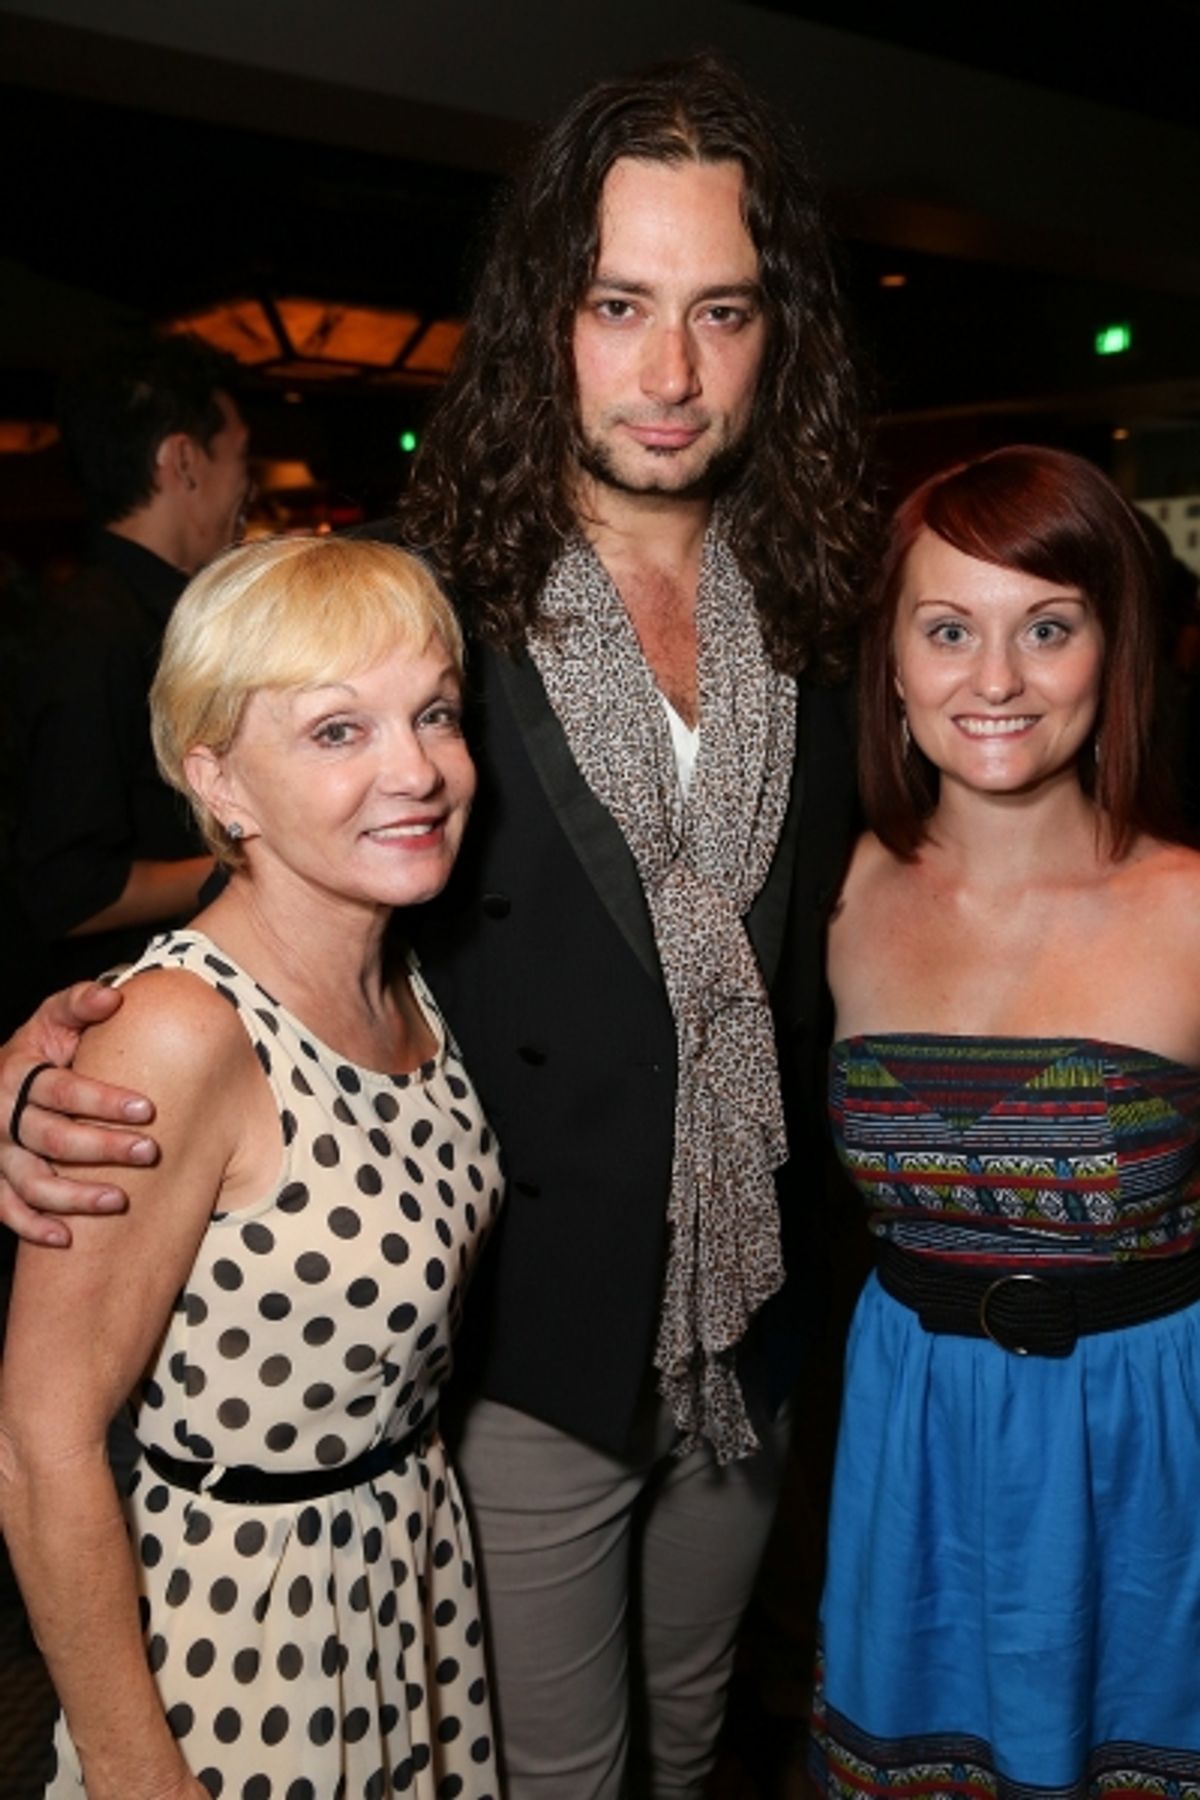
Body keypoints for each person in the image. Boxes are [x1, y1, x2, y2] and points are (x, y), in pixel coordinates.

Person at [0, 54, 871, 1797]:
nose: (672, 373)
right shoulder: (419, 595)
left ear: (782, 340)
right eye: (620, 305)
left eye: (722, 312)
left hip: (750, 1328)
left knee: (695, 1748)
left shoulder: (822, 619)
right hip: (515, 1341)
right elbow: (271, 846)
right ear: (548, 312)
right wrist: (56, 1036)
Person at [0, 535, 502, 1800]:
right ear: (218, 778)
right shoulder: (178, 1029)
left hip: (403, 1587)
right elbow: (38, 1441)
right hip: (239, 1640)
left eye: (433, 713)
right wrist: (130, 1767)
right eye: (338, 732)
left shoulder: (407, 987)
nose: (418, 770)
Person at [811, 445, 1200, 1794]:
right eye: (948, 630)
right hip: (911, 1435)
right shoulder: (839, 886)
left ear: (1114, 648)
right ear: (896, 662)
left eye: (1047, 628)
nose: (994, 682)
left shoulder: (1191, 907)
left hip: (1152, 1454)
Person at [13, 334, 250, 987]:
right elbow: (69, 892)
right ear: (183, 461)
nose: (248, 486)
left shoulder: (149, 614)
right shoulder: (97, 635)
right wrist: (261, 858)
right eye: (239, 458)